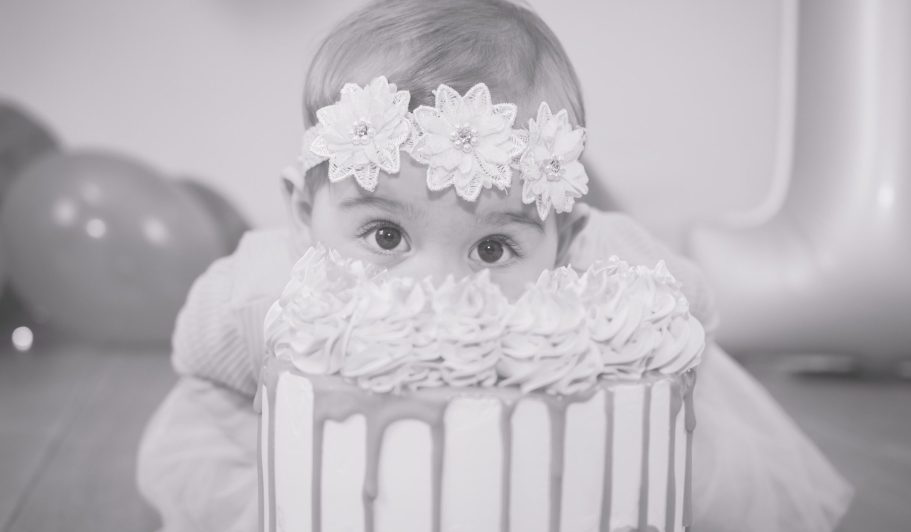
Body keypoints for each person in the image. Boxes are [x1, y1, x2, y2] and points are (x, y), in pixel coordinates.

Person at [137, 0, 853, 530]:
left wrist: (632, 335)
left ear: (564, 239)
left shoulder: (593, 261)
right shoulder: (269, 291)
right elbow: (198, 353)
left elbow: (691, 307)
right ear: (303, 211)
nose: (436, 288)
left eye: (490, 249)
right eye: (385, 235)